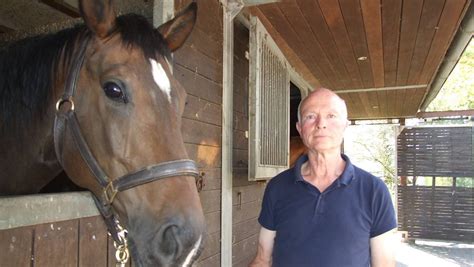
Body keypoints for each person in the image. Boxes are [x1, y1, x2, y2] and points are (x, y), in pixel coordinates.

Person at [250, 88, 397, 267]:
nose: (321, 124)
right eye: (310, 116)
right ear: (300, 128)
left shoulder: (373, 190)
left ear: (345, 125)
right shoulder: (278, 187)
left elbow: (384, 264)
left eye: (331, 116)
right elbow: (262, 259)